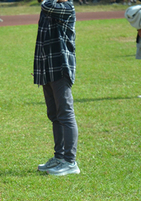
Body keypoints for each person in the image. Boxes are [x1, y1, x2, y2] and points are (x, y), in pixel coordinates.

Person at [34, 0, 80, 176]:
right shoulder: (50, 7)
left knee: (65, 114)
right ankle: (59, 157)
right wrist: (39, 69)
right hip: (48, 68)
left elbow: (46, 5)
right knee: (54, 115)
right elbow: (42, 41)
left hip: (61, 68)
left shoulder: (66, 8)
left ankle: (70, 161)